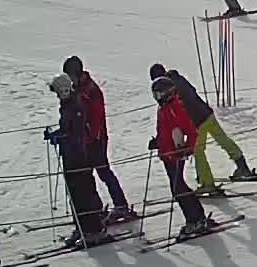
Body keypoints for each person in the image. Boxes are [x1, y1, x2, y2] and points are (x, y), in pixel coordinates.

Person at [148, 62, 255, 191]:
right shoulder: (178, 78)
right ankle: (242, 166)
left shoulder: (168, 90)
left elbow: (177, 115)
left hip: (197, 121)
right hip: (206, 113)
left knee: (198, 151)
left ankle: (207, 184)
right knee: (223, 140)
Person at [64, 56, 134, 223]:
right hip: (86, 140)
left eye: (70, 75)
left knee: (103, 172)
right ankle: (95, 208)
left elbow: (96, 118)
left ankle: (121, 205)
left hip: (96, 140)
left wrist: (91, 137)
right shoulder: (78, 89)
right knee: (88, 175)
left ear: (77, 73)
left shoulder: (91, 90)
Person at [46, 75, 110, 248]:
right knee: (74, 195)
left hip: (78, 157)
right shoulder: (67, 105)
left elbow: (76, 133)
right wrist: (56, 133)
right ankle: (82, 227)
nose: (57, 95)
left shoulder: (75, 105)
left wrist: (61, 137)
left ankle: (94, 229)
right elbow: (68, 129)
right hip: (70, 155)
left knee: (83, 194)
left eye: (58, 91)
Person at [149, 76, 214, 240]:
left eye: (159, 94)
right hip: (167, 154)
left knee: (178, 188)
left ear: (168, 93)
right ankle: (197, 217)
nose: (157, 99)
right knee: (178, 188)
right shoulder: (164, 108)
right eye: (155, 95)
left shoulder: (176, 108)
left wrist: (186, 148)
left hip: (175, 155)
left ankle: (195, 219)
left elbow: (192, 131)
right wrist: (157, 142)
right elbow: (165, 131)